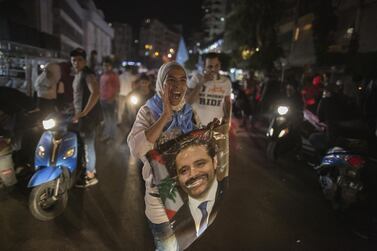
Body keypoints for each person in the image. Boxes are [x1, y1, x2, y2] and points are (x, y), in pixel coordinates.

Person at [127, 61, 200, 251]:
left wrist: (210, 134)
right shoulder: (148, 112)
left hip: (187, 191)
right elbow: (137, 149)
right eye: (171, 80)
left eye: (183, 80)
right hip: (161, 194)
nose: (178, 85)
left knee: (182, 243)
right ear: (161, 83)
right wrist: (165, 116)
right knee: (167, 247)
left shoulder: (190, 113)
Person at [165, 131, 227, 250]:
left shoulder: (236, 198)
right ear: (177, 178)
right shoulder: (174, 221)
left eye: (200, 164)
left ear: (215, 162)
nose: (193, 174)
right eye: (184, 171)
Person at [70, 48, 101, 188]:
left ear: (85, 61)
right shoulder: (78, 74)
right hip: (81, 116)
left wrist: (83, 112)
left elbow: (95, 93)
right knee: (82, 144)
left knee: (88, 146)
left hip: (88, 118)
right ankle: (86, 170)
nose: (76, 62)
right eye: (74, 60)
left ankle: (91, 175)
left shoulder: (88, 74)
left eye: (80, 60)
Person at [186, 53, 231, 126]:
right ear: (204, 66)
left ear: (220, 65)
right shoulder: (196, 78)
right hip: (197, 127)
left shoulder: (226, 82)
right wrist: (201, 83)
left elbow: (227, 102)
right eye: (210, 66)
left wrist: (228, 118)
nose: (213, 69)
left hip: (216, 127)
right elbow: (189, 101)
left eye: (216, 66)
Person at [99, 57, 120, 142]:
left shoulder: (113, 76)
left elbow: (117, 88)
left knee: (111, 119)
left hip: (110, 101)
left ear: (111, 66)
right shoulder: (102, 75)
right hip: (103, 100)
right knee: (106, 119)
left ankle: (112, 136)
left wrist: (112, 98)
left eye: (107, 65)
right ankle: (108, 135)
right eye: (104, 65)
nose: (106, 67)